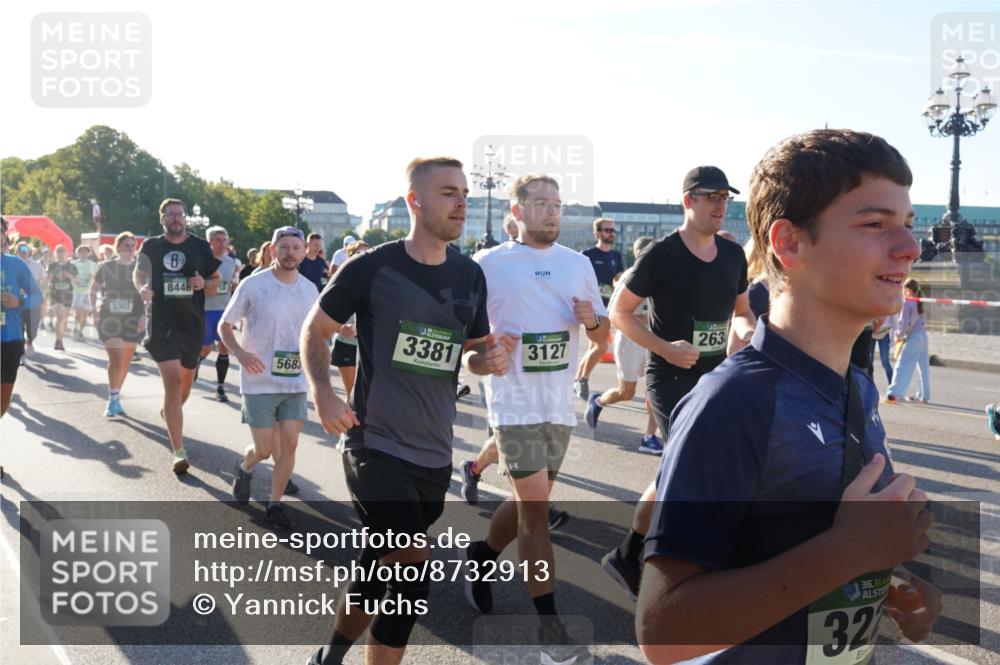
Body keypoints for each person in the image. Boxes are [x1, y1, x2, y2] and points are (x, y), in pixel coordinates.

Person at [636, 129, 940, 664]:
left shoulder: (859, 388)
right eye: (875, 224)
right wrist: (850, 551)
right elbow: (663, 631)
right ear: (789, 242)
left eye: (908, 225)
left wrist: (895, 579)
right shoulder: (734, 401)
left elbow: (818, 542)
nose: (911, 247)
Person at [301, 156, 507, 665]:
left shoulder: (470, 275)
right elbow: (316, 330)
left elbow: (475, 350)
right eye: (447, 192)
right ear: (414, 201)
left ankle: (328, 656)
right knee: (413, 566)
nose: (461, 201)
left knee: (378, 567)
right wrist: (324, 393)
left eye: (463, 191)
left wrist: (490, 357)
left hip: (433, 452)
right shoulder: (372, 267)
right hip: (375, 442)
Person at [463, 174, 607, 665]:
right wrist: (487, 360)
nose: (551, 212)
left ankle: (481, 555)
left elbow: (602, 334)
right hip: (513, 404)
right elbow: (466, 351)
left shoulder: (578, 265)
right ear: (517, 210)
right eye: (541, 203)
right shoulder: (487, 265)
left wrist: (592, 321)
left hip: (556, 405)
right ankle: (551, 629)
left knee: (534, 502)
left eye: (557, 204)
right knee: (537, 511)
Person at [601, 165, 756, 600]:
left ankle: (629, 554)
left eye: (725, 197)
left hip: (716, 378)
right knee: (693, 466)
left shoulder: (731, 255)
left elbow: (742, 311)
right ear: (688, 201)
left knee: (680, 469)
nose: (720, 205)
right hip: (670, 377)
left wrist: (745, 331)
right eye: (711, 197)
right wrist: (665, 347)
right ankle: (683, 565)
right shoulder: (662, 255)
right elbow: (619, 312)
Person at [222, 226, 317, 528]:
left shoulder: (310, 289)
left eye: (296, 248)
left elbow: (315, 332)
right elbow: (225, 325)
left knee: (289, 446)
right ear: (273, 250)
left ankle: (275, 504)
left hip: (295, 381)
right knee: (264, 450)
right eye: (284, 247)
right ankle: (245, 465)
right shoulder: (253, 285)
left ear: (304, 252)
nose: (290, 253)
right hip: (258, 380)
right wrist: (239, 353)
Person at [134, 198, 222, 474]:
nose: (176, 218)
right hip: (162, 325)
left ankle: (169, 413)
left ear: (185, 219)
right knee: (172, 384)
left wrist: (203, 283)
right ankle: (178, 451)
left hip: (191, 326)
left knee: (184, 388)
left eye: (179, 214)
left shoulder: (198, 246)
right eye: (170, 214)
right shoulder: (152, 246)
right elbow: (138, 273)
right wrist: (141, 288)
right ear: (162, 219)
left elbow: (215, 280)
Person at [584, 236, 664, 454]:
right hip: (630, 340)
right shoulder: (630, 276)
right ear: (639, 254)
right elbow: (614, 312)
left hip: (655, 339)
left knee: (654, 390)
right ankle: (598, 401)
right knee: (626, 392)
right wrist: (636, 319)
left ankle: (649, 436)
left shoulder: (665, 274)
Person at [90, 232, 145, 416]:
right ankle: (112, 400)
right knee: (117, 359)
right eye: (127, 245)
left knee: (125, 362)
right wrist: (95, 311)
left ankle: (116, 395)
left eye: (133, 245)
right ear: (118, 247)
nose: (130, 248)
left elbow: (147, 293)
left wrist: (145, 315)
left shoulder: (140, 268)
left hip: (133, 317)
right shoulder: (107, 267)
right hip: (110, 317)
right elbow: (94, 289)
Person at [573, 217, 622, 400]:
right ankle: (583, 379)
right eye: (607, 230)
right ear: (597, 233)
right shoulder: (587, 255)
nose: (611, 234)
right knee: (602, 347)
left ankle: (578, 378)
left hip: (608, 307)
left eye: (613, 230)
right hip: (591, 309)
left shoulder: (616, 256)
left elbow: (618, 278)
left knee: (595, 347)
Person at [1, 217, 41, 416]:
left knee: (3, 399)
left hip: (9, 339)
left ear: (4, 236)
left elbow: (38, 297)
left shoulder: (16, 264)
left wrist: (20, 301)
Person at [199, 226, 240, 403]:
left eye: (225, 240)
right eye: (218, 240)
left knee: (224, 348)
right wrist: (208, 286)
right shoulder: (202, 261)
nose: (222, 244)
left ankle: (220, 388)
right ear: (210, 242)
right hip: (206, 310)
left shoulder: (232, 262)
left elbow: (233, 285)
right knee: (205, 349)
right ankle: (194, 366)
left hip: (224, 311)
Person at [329, 240, 369, 400]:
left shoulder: (379, 282)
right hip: (347, 344)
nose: (365, 257)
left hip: (368, 347)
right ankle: (350, 425)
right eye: (360, 253)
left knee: (368, 396)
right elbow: (323, 318)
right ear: (350, 257)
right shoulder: (340, 283)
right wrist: (339, 329)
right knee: (352, 395)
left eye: (367, 253)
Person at [885, 278, 931, 404]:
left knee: (902, 365)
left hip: (914, 337)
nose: (904, 293)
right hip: (923, 336)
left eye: (905, 290)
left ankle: (893, 394)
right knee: (924, 368)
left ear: (908, 290)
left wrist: (898, 336)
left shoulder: (907, 303)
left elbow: (903, 323)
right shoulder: (919, 301)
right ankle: (923, 396)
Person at [46, 245, 77, 351]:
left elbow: (76, 281)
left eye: (62, 251)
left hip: (68, 294)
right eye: (58, 251)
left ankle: (60, 339)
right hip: (55, 294)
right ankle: (58, 341)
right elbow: (48, 279)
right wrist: (50, 277)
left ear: (66, 253)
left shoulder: (71, 266)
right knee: (60, 316)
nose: (60, 253)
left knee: (65, 319)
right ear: (55, 253)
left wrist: (68, 275)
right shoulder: (52, 265)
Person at [15, 244, 43, 360]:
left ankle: (30, 340)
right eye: (20, 249)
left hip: (33, 301)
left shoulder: (37, 265)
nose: (23, 251)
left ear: (30, 251)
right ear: (16, 251)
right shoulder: (11, 264)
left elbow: (42, 282)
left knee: (33, 328)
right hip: (16, 301)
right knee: (19, 327)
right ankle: (21, 353)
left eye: (25, 249)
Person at [71, 245, 98, 340]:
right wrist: (73, 279)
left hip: (88, 292)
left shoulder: (93, 265)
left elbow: (97, 278)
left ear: (89, 253)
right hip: (76, 291)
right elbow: (68, 276)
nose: (83, 253)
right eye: (81, 251)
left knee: (85, 314)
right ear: (78, 253)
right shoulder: (73, 264)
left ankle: (80, 331)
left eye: (85, 252)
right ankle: (75, 328)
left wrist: (92, 276)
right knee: (77, 313)